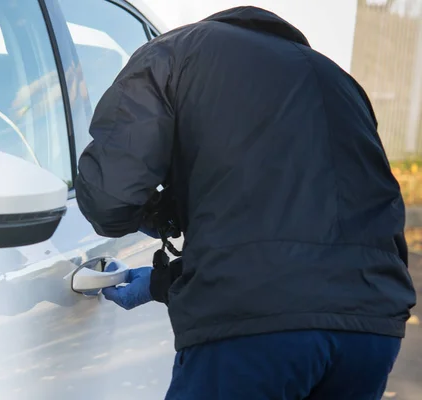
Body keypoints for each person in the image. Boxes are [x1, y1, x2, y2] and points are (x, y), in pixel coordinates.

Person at [74, 6, 416, 400]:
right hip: (371, 333)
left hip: (254, 336)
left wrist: (157, 213)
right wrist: (159, 282)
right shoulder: (338, 80)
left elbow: (108, 199)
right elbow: (304, 233)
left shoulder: (173, 53)